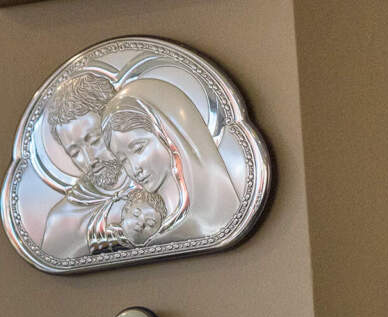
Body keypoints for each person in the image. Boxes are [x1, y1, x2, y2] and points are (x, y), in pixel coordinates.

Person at [100, 78, 245, 242]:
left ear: (168, 136)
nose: (134, 168)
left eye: (138, 149)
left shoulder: (216, 208)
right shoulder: (132, 220)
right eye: (123, 160)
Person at [37, 70, 125, 259]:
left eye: (94, 140)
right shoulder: (61, 221)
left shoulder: (161, 184)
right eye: (75, 152)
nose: (90, 159)